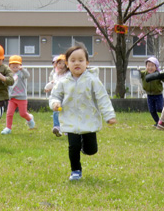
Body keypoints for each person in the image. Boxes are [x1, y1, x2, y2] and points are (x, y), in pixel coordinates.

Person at [49, 44, 116, 181]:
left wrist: (109, 116)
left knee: (92, 150)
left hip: (88, 120)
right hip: (70, 119)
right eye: (73, 60)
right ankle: (75, 170)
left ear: (87, 62)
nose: (77, 63)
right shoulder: (63, 82)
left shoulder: (92, 80)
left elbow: (102, 98)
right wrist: (55, 103)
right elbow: (55, 96)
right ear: (67, 64)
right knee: (73, 146)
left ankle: (84, 148)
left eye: (81, 60)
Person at [1, 55, 35, 135]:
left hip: (22, 97)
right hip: (12, 97)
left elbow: (27, 75)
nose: (15, 66)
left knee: (23, 113)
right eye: (13, 64)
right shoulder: (9, 74)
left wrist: (22, 69)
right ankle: (8, 128)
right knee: (9, 113)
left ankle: (30, 119)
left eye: (17, 64)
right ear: (9, 66)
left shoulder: (21, 73)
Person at [44, 54, 69, 137]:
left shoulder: (68, 75)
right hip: (57, 97)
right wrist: (47, 87)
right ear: (56, 64)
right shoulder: (55, 75)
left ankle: (66, 128)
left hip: (65, 96)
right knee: (56, 111)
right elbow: (53, 83)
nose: (61, 66)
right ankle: (57, 127)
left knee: (65, 112)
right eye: (59, 63)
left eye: (63, 63)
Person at [139, 57, 164, 127]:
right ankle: (158, 122)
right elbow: (137, 74)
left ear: (156, 67)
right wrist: (137, 71)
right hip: (149, 95)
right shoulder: (144, 74)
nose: (150, 68)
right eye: (148, 65)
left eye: (152, 66)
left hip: (158, 95)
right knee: (152, 110)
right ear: (146, 66)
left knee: (159, 108)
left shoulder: (158, 74)